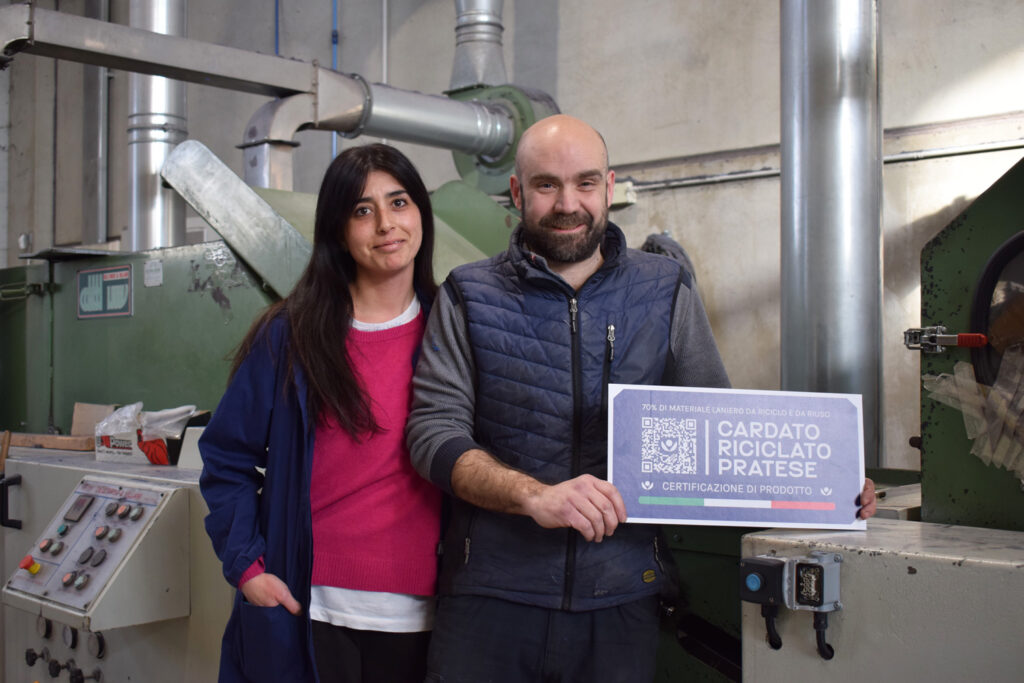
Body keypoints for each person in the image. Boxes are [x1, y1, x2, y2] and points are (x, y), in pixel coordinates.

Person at [406, 114, 877, 682]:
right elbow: (432, 432)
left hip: (621, 597)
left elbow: (720, 434)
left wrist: (825, 485)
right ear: (517, 192)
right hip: (491, 599)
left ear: (608, 187)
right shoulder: (469, 293)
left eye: (584, 182)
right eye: (546, 184)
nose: (567, 203)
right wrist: (534, 497)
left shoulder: (664, 288)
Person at [199, 143, 441, 683]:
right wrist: (248, 569)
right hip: (312, 610)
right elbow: (225, 460)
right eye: (362, 210)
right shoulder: (291, 335)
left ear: (421, 212)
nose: (386, 224)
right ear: (338, 230)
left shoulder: (452, 330)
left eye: (399, 202)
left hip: (428, 616)